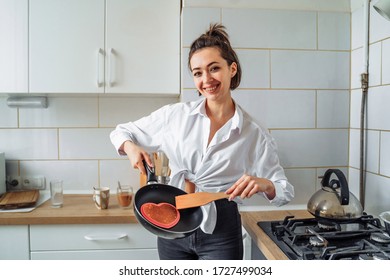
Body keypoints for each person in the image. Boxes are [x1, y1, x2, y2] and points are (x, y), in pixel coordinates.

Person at [110, 23, 294, 260]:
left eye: (214, 68)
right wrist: (131, 147)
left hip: (221, 229)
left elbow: (285, 191)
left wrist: (265, 184)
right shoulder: (175, 116)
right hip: (172, 219)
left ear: (232, 69)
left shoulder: (254, 133)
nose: (206, 79)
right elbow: (121, 132)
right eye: (198, 73)